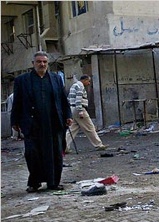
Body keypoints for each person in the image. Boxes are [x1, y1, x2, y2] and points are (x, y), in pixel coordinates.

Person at [10, 51, 73, 193]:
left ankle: (53, 183)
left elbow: (63, 100)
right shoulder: (22, 80)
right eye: (39, 62)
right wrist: (14, 121)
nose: (42, 64)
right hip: (32, 125)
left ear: (47, 63)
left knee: (55, 154)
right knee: (33, 154)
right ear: (33, 64)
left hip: (54, 124)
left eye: (44, 62)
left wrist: (68, 115)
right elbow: (17, 103)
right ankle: (34, 183)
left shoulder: (56, 79)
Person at [65, 74, 107, 153]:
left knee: (72, 129)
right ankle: (98, 145)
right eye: (88, 81)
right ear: (84, 80)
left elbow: (69, 98)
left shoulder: (74, 86)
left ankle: (64, 147)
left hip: (72, 109)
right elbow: (78, 99)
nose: (89, 83)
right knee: (90, 127)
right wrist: (80, 111)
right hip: (79, 109)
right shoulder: (80, 86)